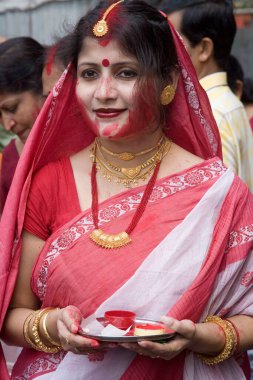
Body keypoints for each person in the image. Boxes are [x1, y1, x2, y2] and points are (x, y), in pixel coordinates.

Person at [0, 1, 252, 379]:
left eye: (125, 73)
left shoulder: (217, 192)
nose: (103, 92)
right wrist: (54, 328)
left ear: (167, 84)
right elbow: (12, 315)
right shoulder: (48, 183)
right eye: (89, 73)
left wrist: (200, 337)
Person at [160, 0, 253, 192]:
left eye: (174, 42)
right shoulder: (228, 103)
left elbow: (218, 203)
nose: (163, 54)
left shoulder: (209, 113)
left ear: (203, 49)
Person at [0, 37, 45, 213]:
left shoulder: (94, 146)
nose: (7, 125)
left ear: (44, 89)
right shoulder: (11, 160)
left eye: (11, 108)